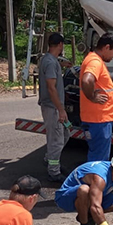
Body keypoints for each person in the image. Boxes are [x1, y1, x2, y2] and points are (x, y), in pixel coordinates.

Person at [80, 33, 113, 162]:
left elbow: (101, 87)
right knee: (99, 160)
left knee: (96, 156)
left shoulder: (93, 59)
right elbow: (87, 80)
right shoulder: (95, 62)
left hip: (97, 118)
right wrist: (92, 97)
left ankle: (93, 180)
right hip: (99, 119)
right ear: (106, 47)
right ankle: (95, 181)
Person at [39, 32, 69, 181]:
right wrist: (61, 110)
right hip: (53, 108)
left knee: (65, 134)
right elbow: (51, 88)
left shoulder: (49, 60)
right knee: (56, 140)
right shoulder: (50, 62)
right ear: (60, 45)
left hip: (54, 107)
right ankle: (54, 171)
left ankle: (50, 159)